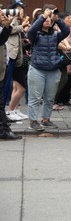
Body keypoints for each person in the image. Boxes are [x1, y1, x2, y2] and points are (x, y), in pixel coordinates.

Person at [26, 5, 70, 131]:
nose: (47, 20)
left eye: (49, 19)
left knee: (50, 98)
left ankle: (46, 119)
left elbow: (66, 31)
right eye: (45, 18)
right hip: (37, 69)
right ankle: (33, 121)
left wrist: (57, 19)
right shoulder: (35, 35)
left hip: (53, 70)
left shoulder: (56, 35)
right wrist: (43, 16)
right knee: (35, 97)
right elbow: (31, 31)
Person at [4, 1, 30, 122]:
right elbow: (10, 30)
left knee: (16, 86)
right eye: (20, 10)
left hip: (16, 56)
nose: (22, 12)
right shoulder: (10, 19)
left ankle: (14, 110)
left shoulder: (16, 20)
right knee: (19, 86)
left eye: (22, 10)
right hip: (11, 56)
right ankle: (10, 111)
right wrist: (23, 26)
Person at [0, 10, 21, 140]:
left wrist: (7, 27)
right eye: (1, 14)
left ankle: (3, 129)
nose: (4, 16)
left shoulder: (2, 28)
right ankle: (4, 130)